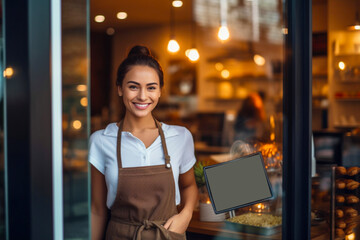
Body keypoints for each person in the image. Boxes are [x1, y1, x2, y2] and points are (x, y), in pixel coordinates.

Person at [89, 45, 198, 240]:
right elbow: (97, 210)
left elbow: (189, 186)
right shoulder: (101, 140)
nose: (142, 96)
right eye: (133, 86)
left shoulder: (180, 137)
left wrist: (187, 214)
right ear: (120, 89)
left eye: (151, 88)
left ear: (160, 91)